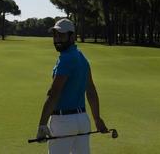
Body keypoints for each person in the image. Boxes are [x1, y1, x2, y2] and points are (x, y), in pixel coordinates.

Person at [36, 18, 108, 154]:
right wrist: (97, 119)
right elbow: (91, 90)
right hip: (82, 121)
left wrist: (42, 125)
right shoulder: (82, 58)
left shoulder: (66, 59)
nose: (57, 39)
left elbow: (53, 93)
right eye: (55, 35)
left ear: (72, 36)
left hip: (63, 122)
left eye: (61, 35)